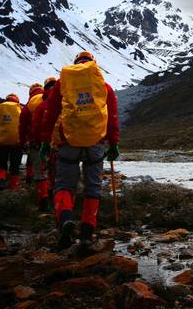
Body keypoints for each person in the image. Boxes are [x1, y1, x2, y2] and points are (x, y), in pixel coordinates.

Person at [40, 51, 120, 249]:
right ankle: (86, 233)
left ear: (75, 64)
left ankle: (66, 218)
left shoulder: (63, 82)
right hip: (96, 143)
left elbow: (50, 114)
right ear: (94, 64)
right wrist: (113, 143)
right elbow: (112, 117)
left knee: (64, 185)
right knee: (93, 187)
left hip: (69, 142)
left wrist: (44, 141)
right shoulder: (104, 86)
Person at [30, 77, 58, 211]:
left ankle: (43, 203)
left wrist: (37, 143)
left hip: (44, 144)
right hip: (61, 144)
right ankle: (60, 207)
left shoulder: (41, 105)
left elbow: (35, 127)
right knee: (58, 174)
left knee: (41, 172)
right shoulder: (66, 99)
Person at [0, 93, 23, 191]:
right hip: (17, 143)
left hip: (2, 143)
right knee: (15, 167)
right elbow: (25, 125)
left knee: (1, 165)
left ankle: (0, 182)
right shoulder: (20, 108)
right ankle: (13, 188)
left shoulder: (0, 109)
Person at [19, 83, 44, 186]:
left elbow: (22, 126)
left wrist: (22, 142)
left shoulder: (29, 104)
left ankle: (31, 182)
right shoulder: (49, 98)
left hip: (35, 140)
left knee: (34, 161)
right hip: (53, 139)